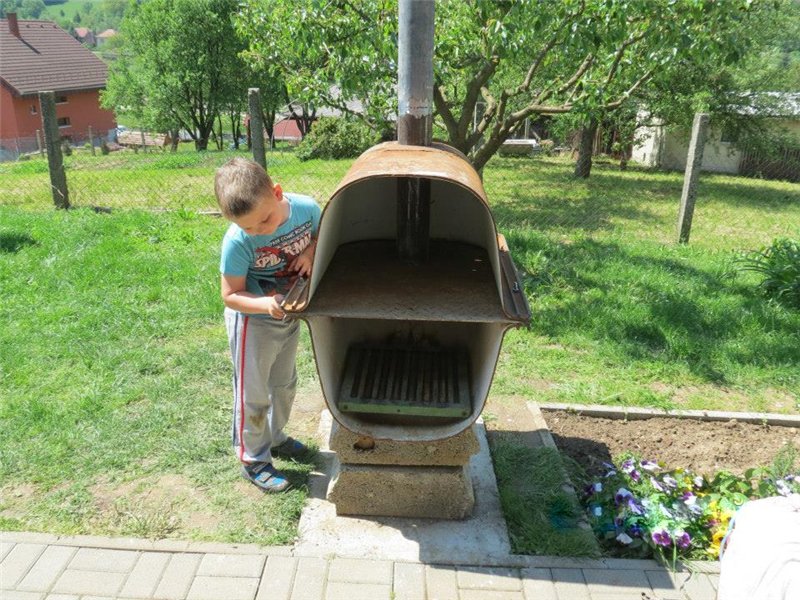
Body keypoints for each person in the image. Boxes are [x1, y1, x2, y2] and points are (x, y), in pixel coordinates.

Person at [214, 157, 321, 493]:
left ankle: (275, 437)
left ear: (277, 193)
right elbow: (230, 294)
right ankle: (253, 457)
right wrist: (263, 304)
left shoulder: (307, 209)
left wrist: (312, 252)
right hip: (253, 323)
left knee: (284, 384)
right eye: (250, 228)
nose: (261, 231)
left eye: (265, 220)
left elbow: (322, 235)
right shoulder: (237, 241)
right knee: (253, 393)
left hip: (288, 315)